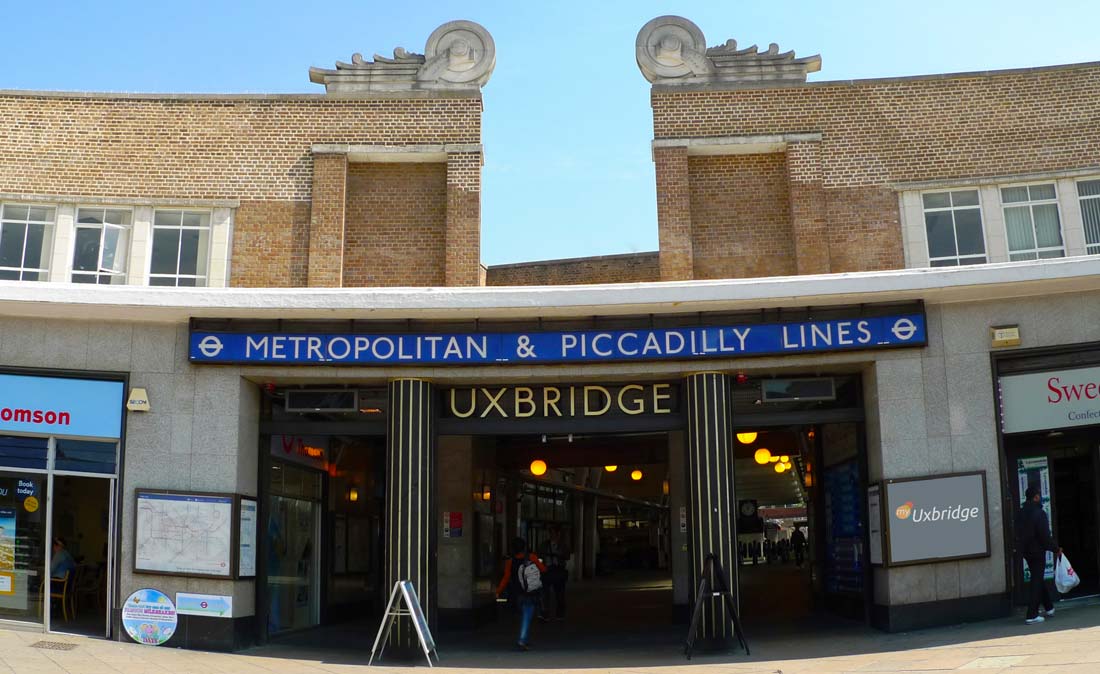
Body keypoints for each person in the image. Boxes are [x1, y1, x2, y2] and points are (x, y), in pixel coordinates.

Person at [1016, 486, 1062, 624]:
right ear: (1036, 497)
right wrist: (1055, 549)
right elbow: (1044, 536)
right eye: (1039, 495)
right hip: (1037, 551)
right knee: (1036, 580)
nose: (1040, 497)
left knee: (1037, 577)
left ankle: (1049, 607)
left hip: (1026, 551)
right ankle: (1032, 614)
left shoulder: (1021, 512)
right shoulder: (1039, 513)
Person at [495, 537, 546, 650]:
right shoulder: (532, 557)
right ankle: (522, 640)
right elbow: (543, 569)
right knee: (527, 615)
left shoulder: (510, 562)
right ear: (524, 547)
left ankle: (525, 639)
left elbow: (506, 578)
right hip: (531, 592)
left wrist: (498, 591)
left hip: (518, 593)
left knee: (525, 615)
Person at [542, 526, 571, 621]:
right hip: (547, 570)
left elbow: (567, 556)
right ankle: (545, 613)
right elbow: (539, 554)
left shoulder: (563, 545)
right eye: (550, 533)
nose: (552, 535)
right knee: (545, 594)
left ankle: (560, 614)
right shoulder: (545, 544)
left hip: (558, 571)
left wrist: (559, 554)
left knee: (560, 594)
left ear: (558, 534)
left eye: (554, 533)